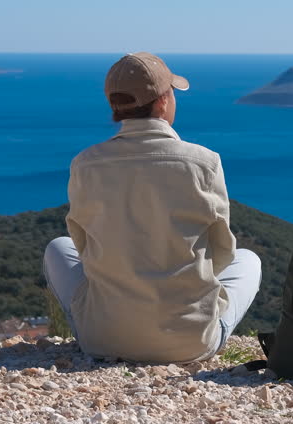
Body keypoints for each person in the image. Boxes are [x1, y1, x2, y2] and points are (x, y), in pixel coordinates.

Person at [43, 52, 261, 363]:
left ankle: (108, 325)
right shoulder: (204, 162)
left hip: (102, 338)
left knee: (57, 248)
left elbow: (82, 245)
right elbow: (222, 252)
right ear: (162, 102)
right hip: (190, 342)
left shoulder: (85, 164)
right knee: (248, 260)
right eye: (172, 92)